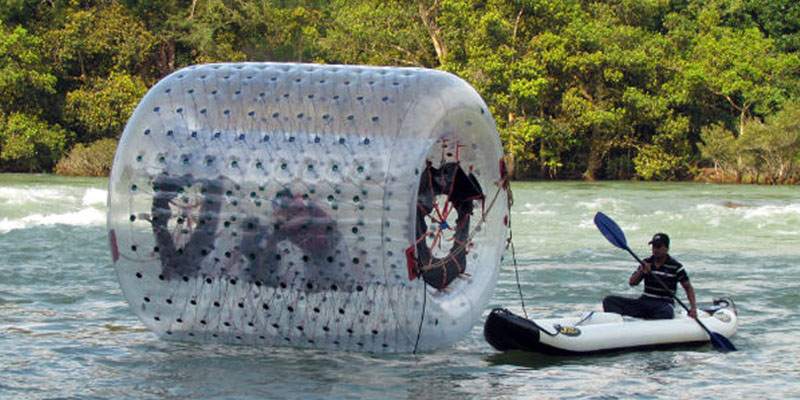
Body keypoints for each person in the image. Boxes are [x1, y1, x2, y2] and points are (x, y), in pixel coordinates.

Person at [602, 233, 698, 320]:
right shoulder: (646, 262)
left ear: (667, 248)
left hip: (664, 304)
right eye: (653, 246)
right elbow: (632, 282)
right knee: (609, 301)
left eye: (658, 246)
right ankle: (619, 327)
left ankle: (650, 326)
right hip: (645, 301)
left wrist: (693, 308)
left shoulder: (676, 267)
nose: (655, 250)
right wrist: (641, 272)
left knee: (666, 312)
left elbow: (688, 288)